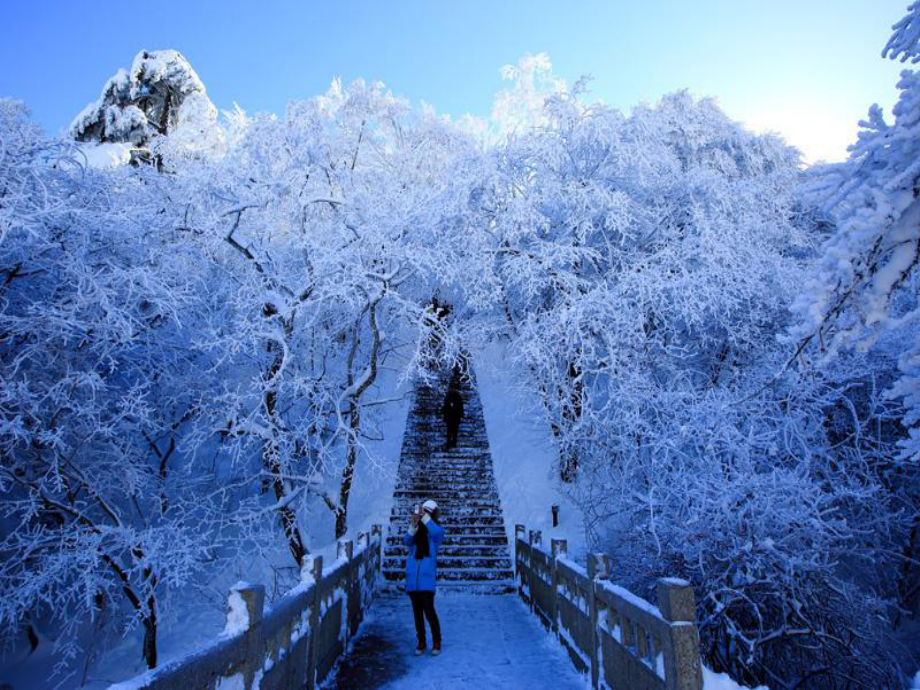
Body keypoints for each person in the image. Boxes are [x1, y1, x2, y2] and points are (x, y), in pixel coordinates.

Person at [404, 499, 444, 655]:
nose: (422, 515)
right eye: (421, 512)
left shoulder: (435, 533)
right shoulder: (416, 532)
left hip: (426, 579)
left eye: (426, 512)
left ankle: (436, 641)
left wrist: (425, 518)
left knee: (429, 611)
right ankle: (421, 641)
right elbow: (406, 540)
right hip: (413, 579)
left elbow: (437, 533)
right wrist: (413, 525)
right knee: (417, 614)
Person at [441, 384, 464, 450]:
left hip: (456, 417)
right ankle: (448, 444)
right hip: (449, 416)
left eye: (454, 388)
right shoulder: (448, 396)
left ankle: (454, 443)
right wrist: (444, 414)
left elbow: (461, 406)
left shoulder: (458, 396)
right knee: (449, 431)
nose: (453, 390)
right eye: (452, 388)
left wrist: (461, 414)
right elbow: (445, 405)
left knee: (455, 431)